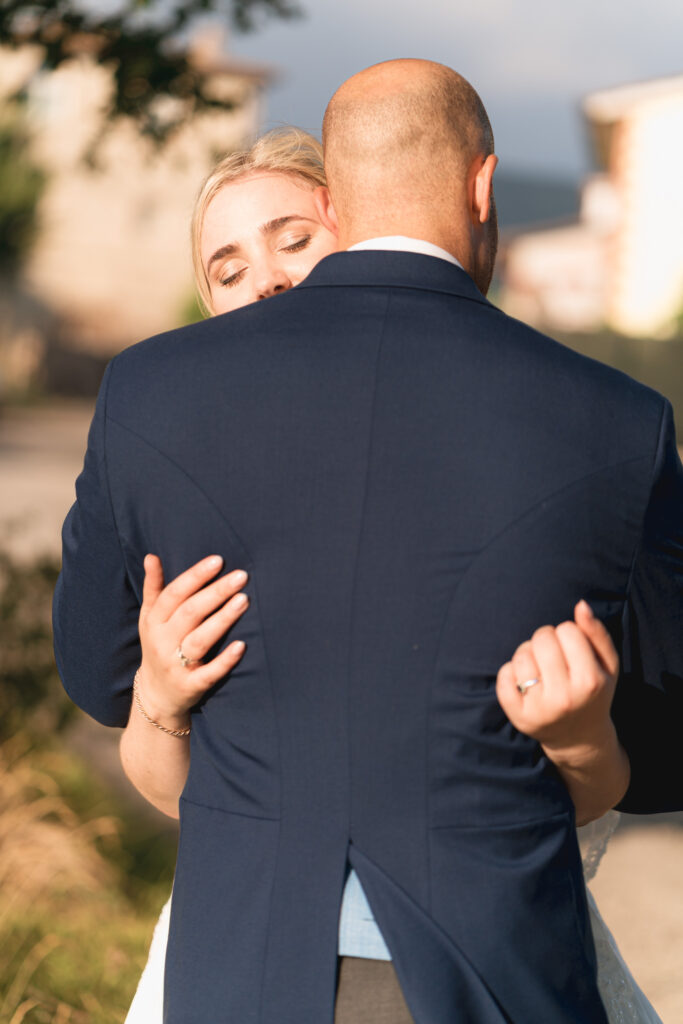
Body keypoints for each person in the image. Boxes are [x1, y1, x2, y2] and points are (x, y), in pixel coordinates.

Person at [53, 60, 683, 1024]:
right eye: (227, 267)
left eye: (289, 240)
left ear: (338, 208)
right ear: (481, 184)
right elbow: (665, 748)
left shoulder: (147, 393)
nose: (263, 282)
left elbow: (87, 673)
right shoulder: (616, 423)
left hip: (241, 974)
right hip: (495, 973)